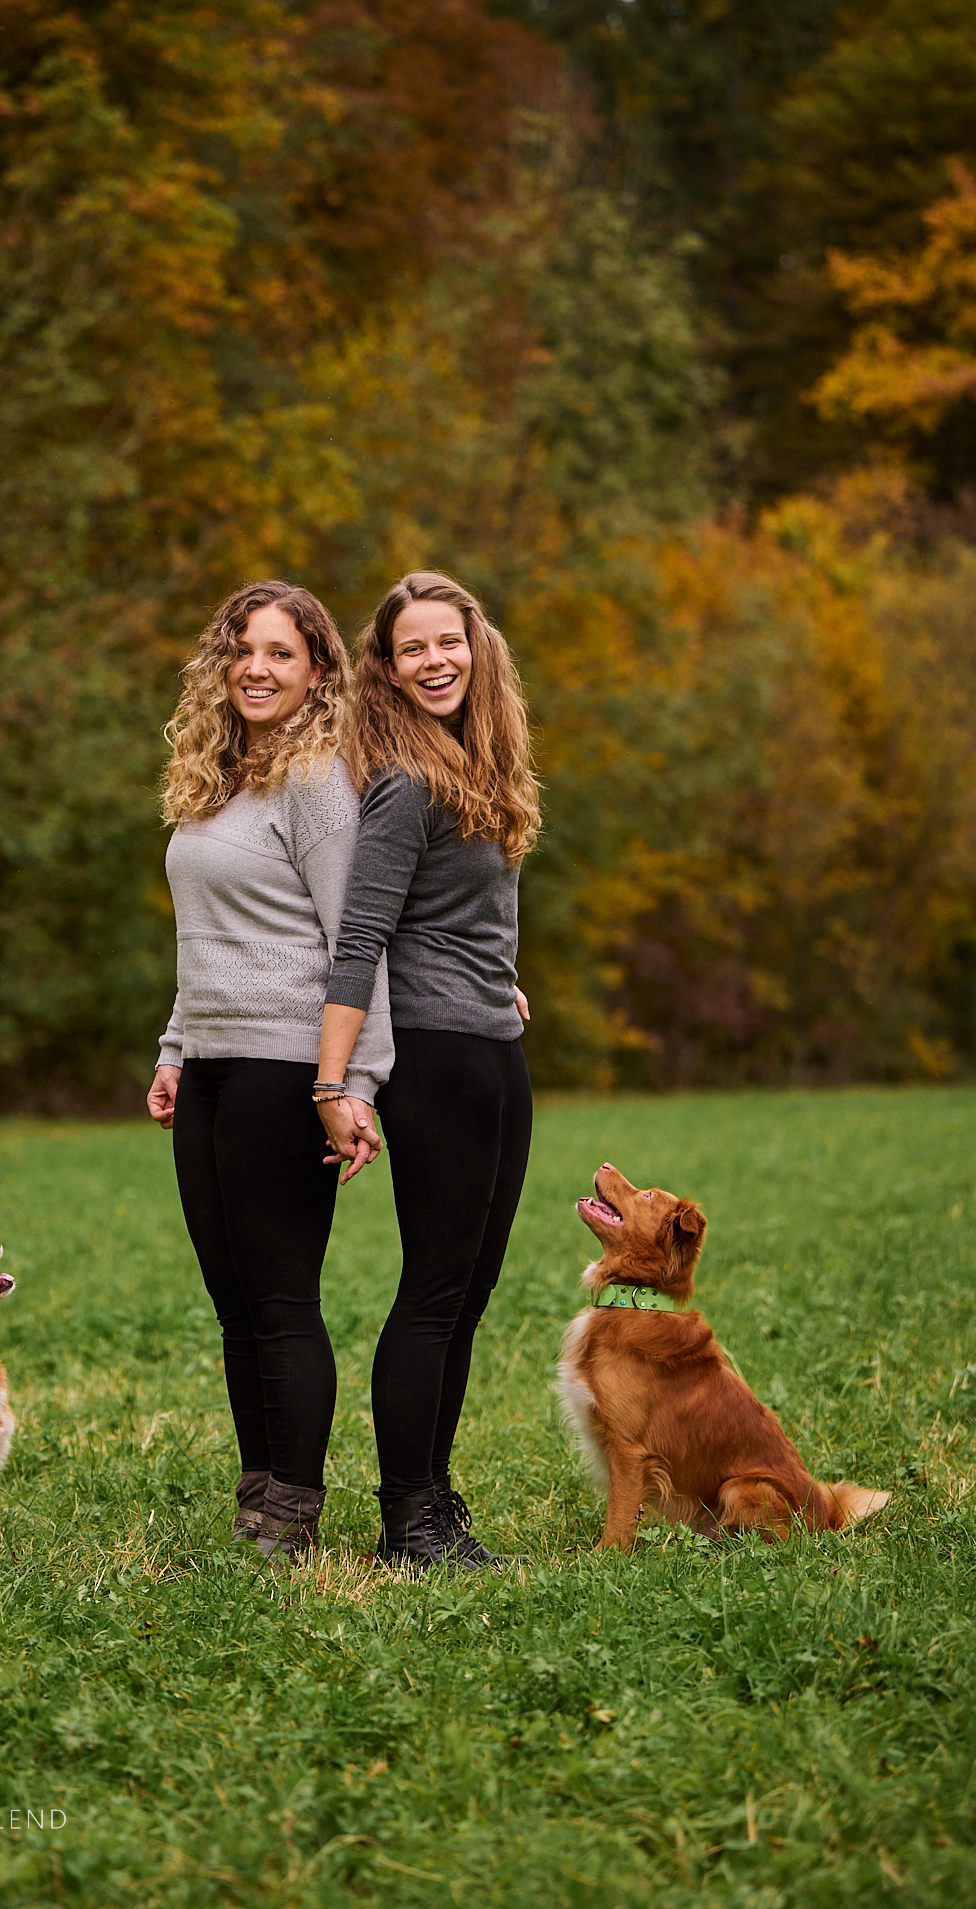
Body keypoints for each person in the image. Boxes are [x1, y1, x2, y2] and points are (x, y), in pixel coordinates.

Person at [146, 581, 391, 1562]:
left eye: (281, 652)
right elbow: (204, 937)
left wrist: (351, 1084)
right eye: (242, 649)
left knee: (280, 1297)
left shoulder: (318, 780)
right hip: (209, 1063)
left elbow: (357, 941)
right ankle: (258, 1498)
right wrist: (172, 1046)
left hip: (286, 1066)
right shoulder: (217, 778)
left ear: (318, 670)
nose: (256, 666)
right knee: (234, 1300)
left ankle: (289, 1512)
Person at [316, 570, 540, 1568]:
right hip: (439, 1058)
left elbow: (460, 914)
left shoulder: (473, 763)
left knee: (473, 1287)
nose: (435, 660)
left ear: (475, 646)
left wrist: (503, 982)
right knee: (436, 1288)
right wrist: (336, 1083)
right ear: (387, 665)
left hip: (492, 1042)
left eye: (448, 642)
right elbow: (362, 932)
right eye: (413, 648)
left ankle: (434, 1504)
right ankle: (408, 1516)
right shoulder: (403, 781)